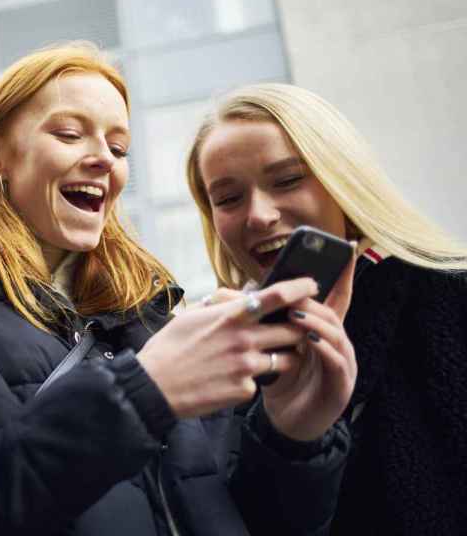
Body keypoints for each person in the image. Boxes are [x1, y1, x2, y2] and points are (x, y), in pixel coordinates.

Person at [0, 44, 356, 536]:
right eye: (69, 134)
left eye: (119, 149)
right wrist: (141, 396)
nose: (104, 159)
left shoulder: (163, 325)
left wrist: (295, 439)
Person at [185, 82, 467, 535]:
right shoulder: (226, 359)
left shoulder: (449, 294)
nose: (258, 215)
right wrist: (289, 437)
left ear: (344, 180)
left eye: (288, 179)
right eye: (228, 198)